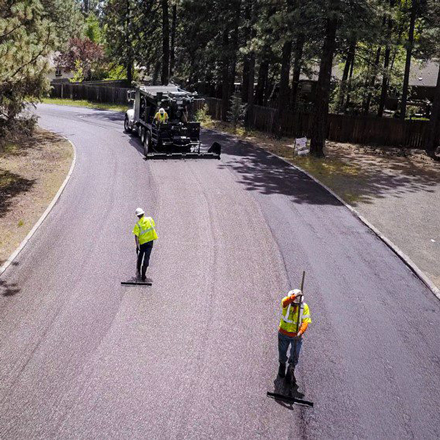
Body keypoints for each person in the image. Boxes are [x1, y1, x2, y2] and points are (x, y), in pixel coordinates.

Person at [278, 289, 311, 384]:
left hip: (296, 336)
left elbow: (306, 321)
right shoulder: (286, 302)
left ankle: (291, 369)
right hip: (283, 334)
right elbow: (284, 302)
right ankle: (282, 365)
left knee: (295, 354)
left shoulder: (304, 307)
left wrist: (300, 332)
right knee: (282, 352)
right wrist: (294, 297)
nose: (294, 304)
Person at [133, 207, 158, 282]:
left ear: (137, 216)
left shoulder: (138, 224)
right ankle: (144, 275)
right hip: (150, 242)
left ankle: (138, 271)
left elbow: (136, 236)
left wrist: (137, 246)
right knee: (147, 258)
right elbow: (153, 226)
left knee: (140, 257)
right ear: (143, 213)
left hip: (142, 244)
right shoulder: (150, 219)